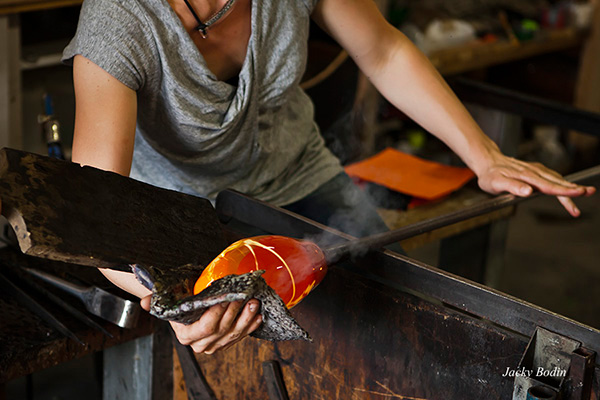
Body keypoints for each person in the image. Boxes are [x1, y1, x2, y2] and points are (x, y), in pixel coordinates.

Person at [62, 0, 594, 355]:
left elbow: (382, 49)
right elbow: (102, 218)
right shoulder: (118, 22)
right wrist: (176, 302)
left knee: (410, 325)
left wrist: (484, 156)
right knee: (255, 357)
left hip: (302, 175)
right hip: (186, 219)